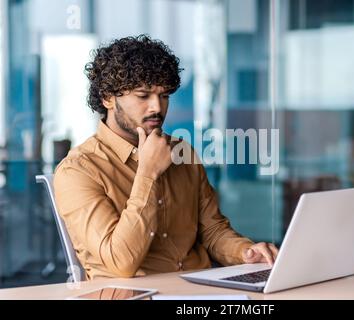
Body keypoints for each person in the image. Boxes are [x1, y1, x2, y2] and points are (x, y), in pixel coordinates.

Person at [54, 35, 278, 280]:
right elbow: (120, 262)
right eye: (143, 96)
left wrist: (245, 252)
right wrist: (148, 173)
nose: (157, 107)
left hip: (200, 291)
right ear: (108, 98)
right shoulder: (78, 170)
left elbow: (212, 231)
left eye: (164, 96)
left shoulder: (181, 152)